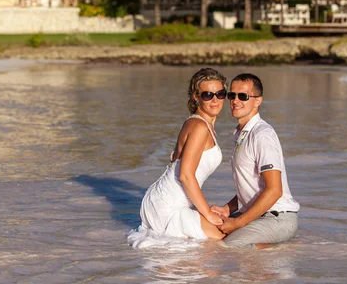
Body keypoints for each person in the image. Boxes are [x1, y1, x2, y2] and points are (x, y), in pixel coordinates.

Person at [127, 68, 228, 248]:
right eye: (208, 95)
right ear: (196, 97)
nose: (215, 100)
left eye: (220, 94)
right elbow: (185, 175)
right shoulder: (199, 126)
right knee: (222, 242)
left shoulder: (196, 122)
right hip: (168, 205)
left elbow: (175, 157)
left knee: (223, 240)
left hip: (170, 199)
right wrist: (206, 213)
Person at [212, 73, 299, 249]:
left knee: (227, 249)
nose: (235, 101)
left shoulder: (262, 135)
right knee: (206, 236)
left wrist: (237, 223)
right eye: (232, 95)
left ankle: (285, 249)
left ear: (257, 101)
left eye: (243, 96)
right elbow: (252, 185)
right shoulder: (240, 134)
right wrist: (228, 209)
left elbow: (274, 190)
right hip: (255, 215)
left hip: (277, 217)